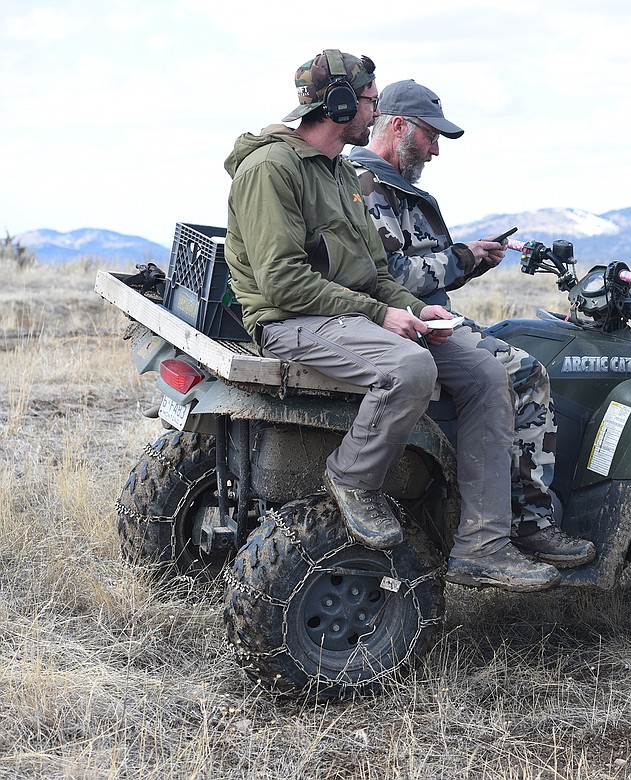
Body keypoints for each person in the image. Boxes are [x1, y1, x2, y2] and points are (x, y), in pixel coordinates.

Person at [223, 49, 560, 592]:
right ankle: (353, 477)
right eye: (369, 102)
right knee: (410, 368)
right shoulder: (271, 170)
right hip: (291, 321)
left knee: (485, 373)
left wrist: (412, 305)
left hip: (348, 316)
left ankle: (484, 544)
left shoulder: (337, 174)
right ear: (336, 105)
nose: (374, 114)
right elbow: (283, 283)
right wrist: (383, 314)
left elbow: (375, 272)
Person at [348, 79, 595, 569]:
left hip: (423, 316)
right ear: (396, 126)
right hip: (406, 322)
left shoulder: (393, 186)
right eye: (429, 136)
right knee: (525, 374)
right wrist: (459, 258)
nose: (436, 149)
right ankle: (529, 523)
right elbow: (392, 276)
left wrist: (470, 258)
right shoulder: (366, 185)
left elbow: (417, 260)